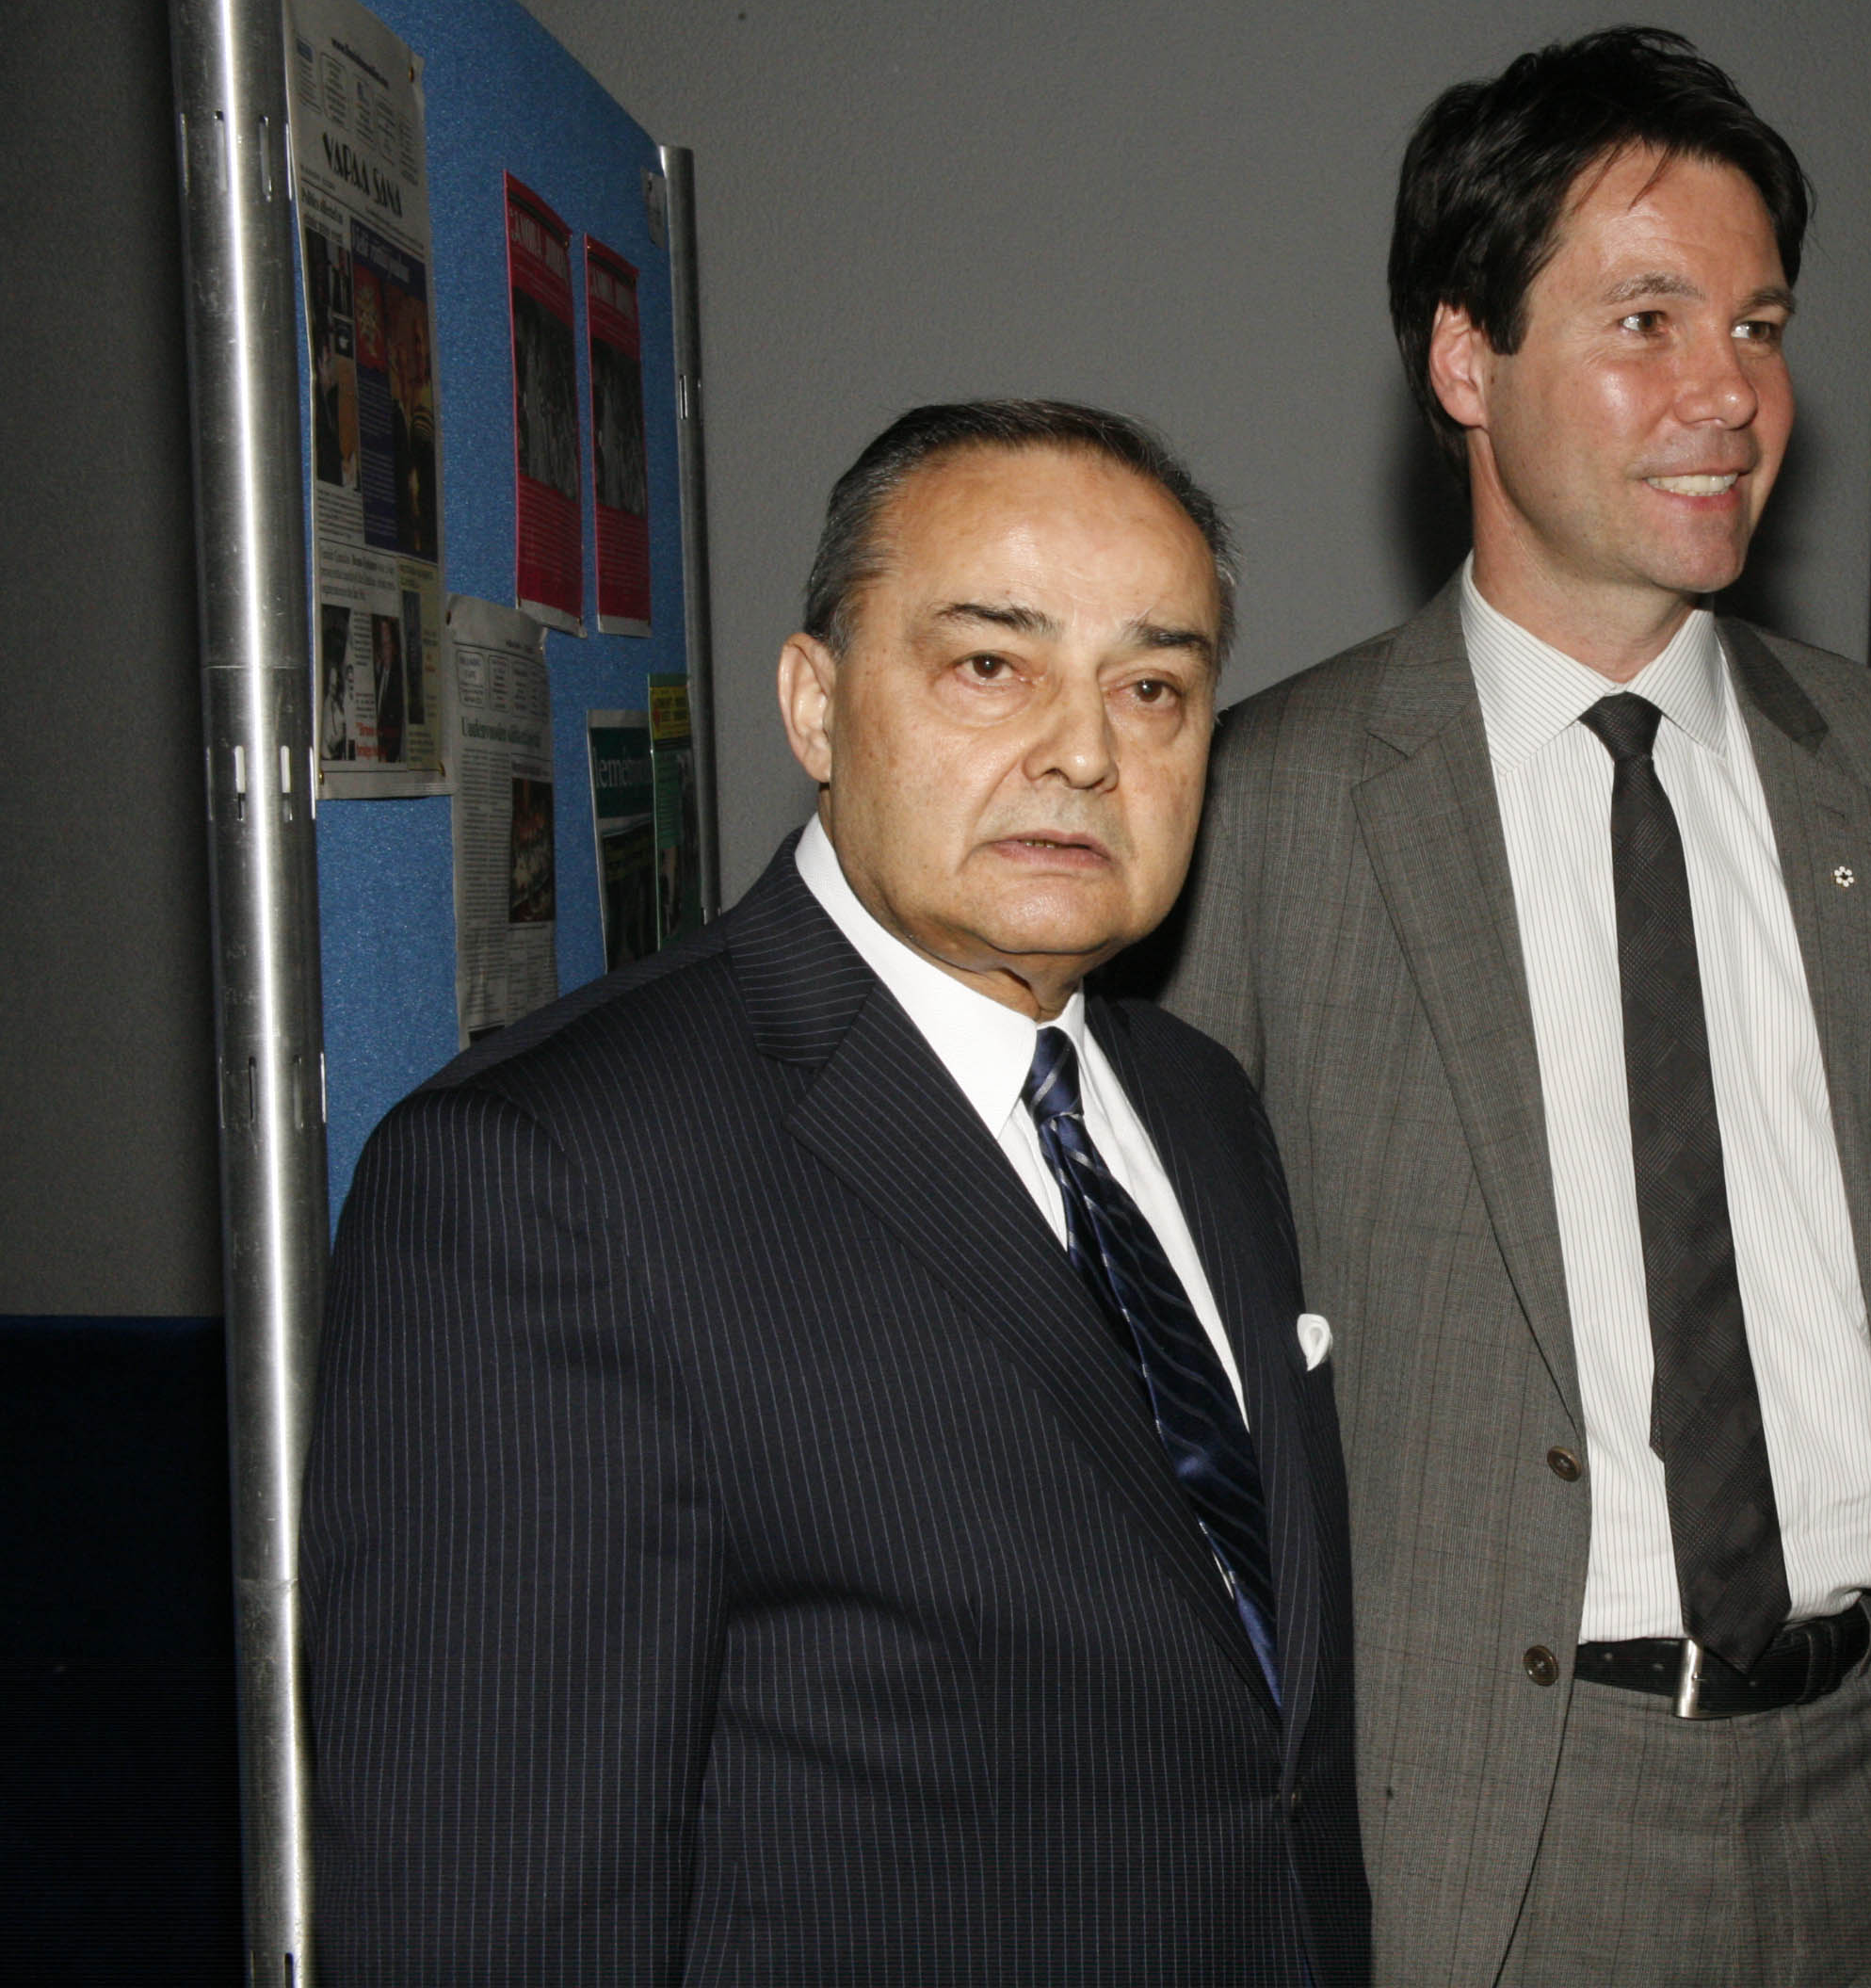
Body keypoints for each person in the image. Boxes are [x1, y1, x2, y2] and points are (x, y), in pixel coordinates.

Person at [1158, 29, 1871, 1987]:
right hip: (1497, 1838)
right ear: (1466, 361)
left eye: (1758, 326)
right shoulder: (1256, 816)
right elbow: (1161, 1422)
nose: (1731, 395)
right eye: (1647, 320)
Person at [304, 400, 1371, 1985]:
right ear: (814, 705)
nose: (1086, 751)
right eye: (991, 665)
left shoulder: (1201, 1106)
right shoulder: (543, 1180)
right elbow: (491, 1917)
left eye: (1153, 687)